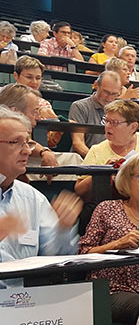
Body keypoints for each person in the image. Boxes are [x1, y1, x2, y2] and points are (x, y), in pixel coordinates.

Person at [79, 154, 139, 322]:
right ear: (128, 180)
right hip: (109, 289)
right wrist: (117, 244)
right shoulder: (107, 208)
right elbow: (83, 253)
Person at [0, 107, 82, 271]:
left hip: (25, 294)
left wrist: (63, 229)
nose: (26, 151)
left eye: (28, 143)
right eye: (15, 142)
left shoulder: (32, 198)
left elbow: (58, 256)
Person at [74, 100, 139, 199]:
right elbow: (79, 189)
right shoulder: (97, 150)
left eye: (114, 122)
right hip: (118, 201)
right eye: (106, 121)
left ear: (133, 127)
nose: (107, 126)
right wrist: (103, 172)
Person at [68, 71, 122, 157]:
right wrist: (98, 159)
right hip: (86, 160)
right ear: (96, 85)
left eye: (114, 94)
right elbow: (78, 143)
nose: (109, 98)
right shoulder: (79, 106)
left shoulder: (121, 109)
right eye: (106, 92)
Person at [12, 56, 62, 147]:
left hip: (36, 152)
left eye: (38, 78)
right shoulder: (4, 96)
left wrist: (58, 128)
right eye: (29, 77)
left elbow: (50, 142)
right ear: (16, 76)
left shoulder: (44, 104)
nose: (34, 82)